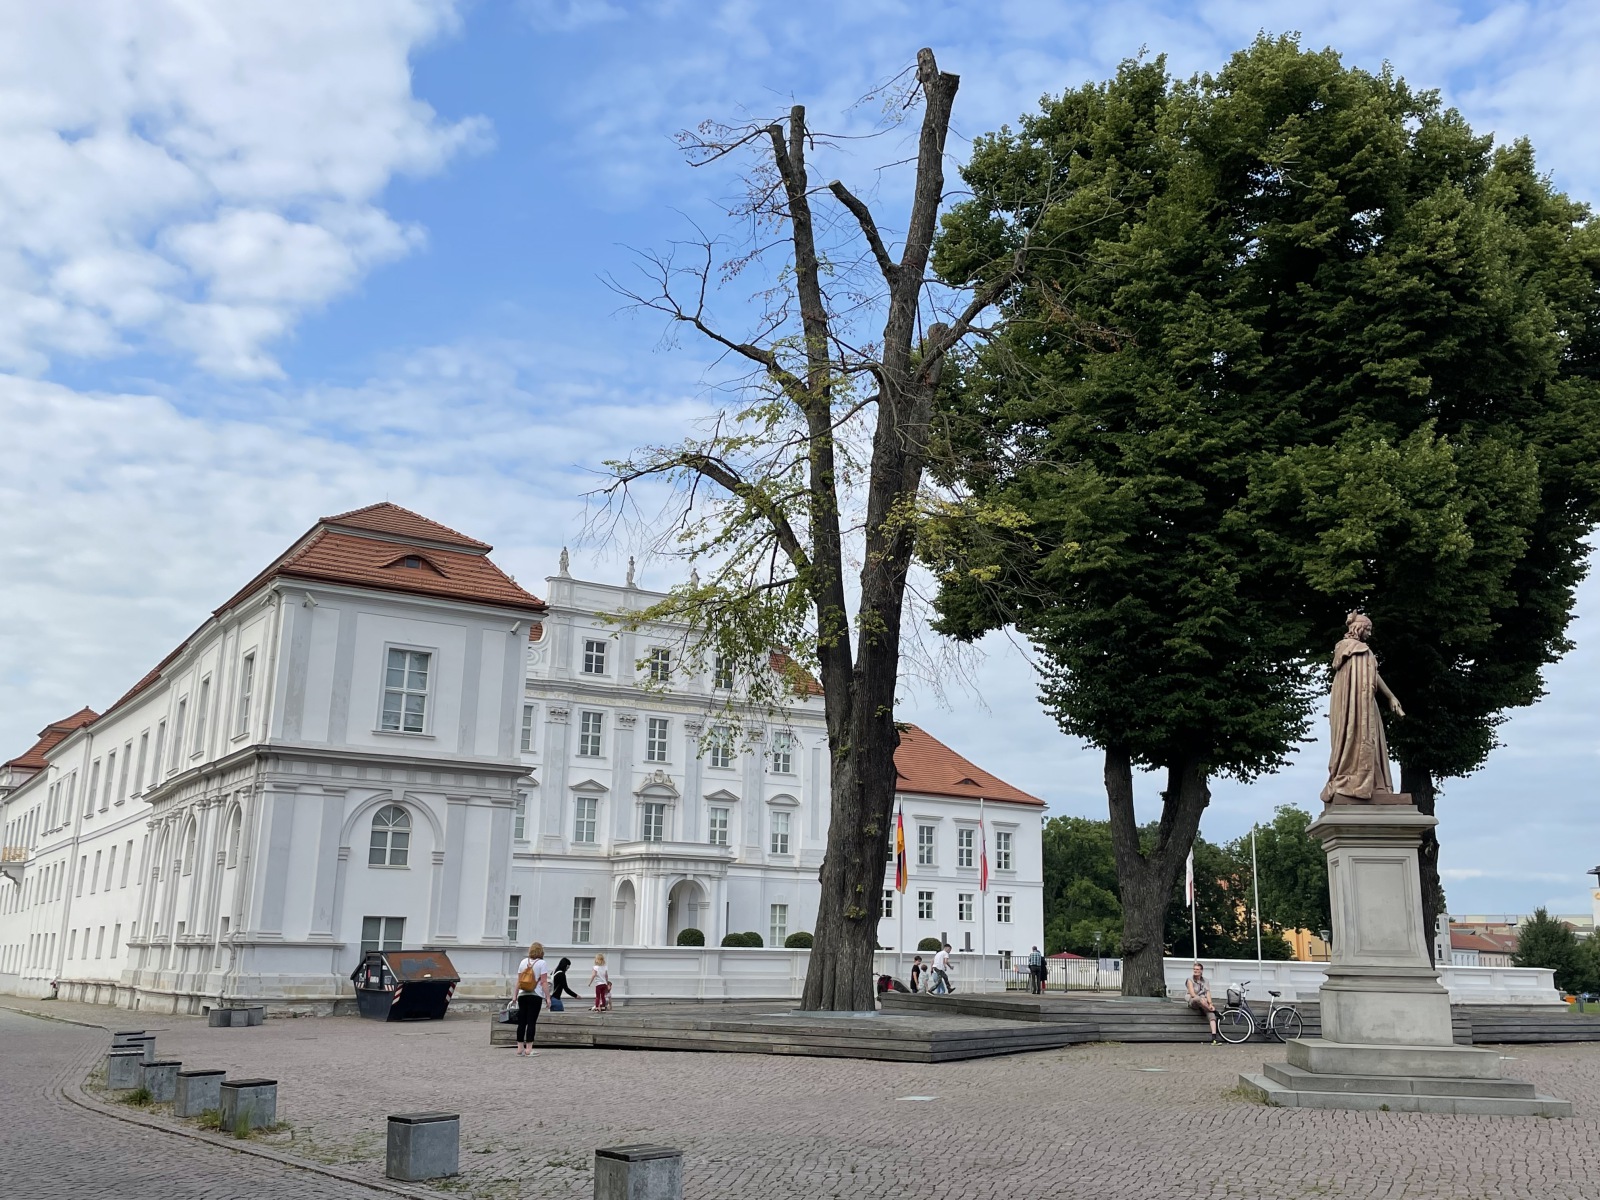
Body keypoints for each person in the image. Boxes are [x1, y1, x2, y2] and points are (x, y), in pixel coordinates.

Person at [514, 941, 551, 1055]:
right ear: (541, 952)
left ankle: (520, 1048)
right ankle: (529, 1049)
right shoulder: (542, 963)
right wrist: (548, 997)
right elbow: (544, 982)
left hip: (522, 994)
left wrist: (515, 995)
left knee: (522, 1022)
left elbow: (518, 981)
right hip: (535, 994)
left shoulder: (523, 962)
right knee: (531, 1022)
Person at [1186, 961, 1219, 1043]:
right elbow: (1192, 994)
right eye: (1194, 969)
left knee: (1211, 1016)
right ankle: (1214, 1011)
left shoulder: (1205, 981)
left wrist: (1210, 1003)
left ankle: (1214, 1037)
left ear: (1201, 971)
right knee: (1198, 999)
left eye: (1197, 969)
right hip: (1193, 1000)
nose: (1195, 971)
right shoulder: (1190, 980)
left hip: (1204, 1002)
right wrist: (1202, 999)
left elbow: (1208, 992)